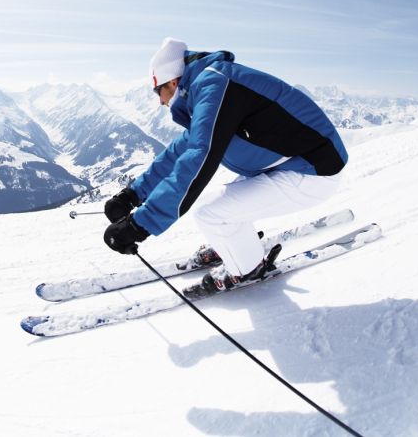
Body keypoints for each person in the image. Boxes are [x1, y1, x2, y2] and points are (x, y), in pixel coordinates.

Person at [103, 38, 348, 293]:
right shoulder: (209, 87)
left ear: (173, 82)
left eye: (158, 91)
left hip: (314, 169)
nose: (160, 102)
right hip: (291, 164)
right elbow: (181, 149)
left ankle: (248, 268)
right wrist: (132, 195)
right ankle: (235, 246)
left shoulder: (215, 85)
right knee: (216, 205)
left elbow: (199, 156)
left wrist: (140, 225)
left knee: (211, 214)